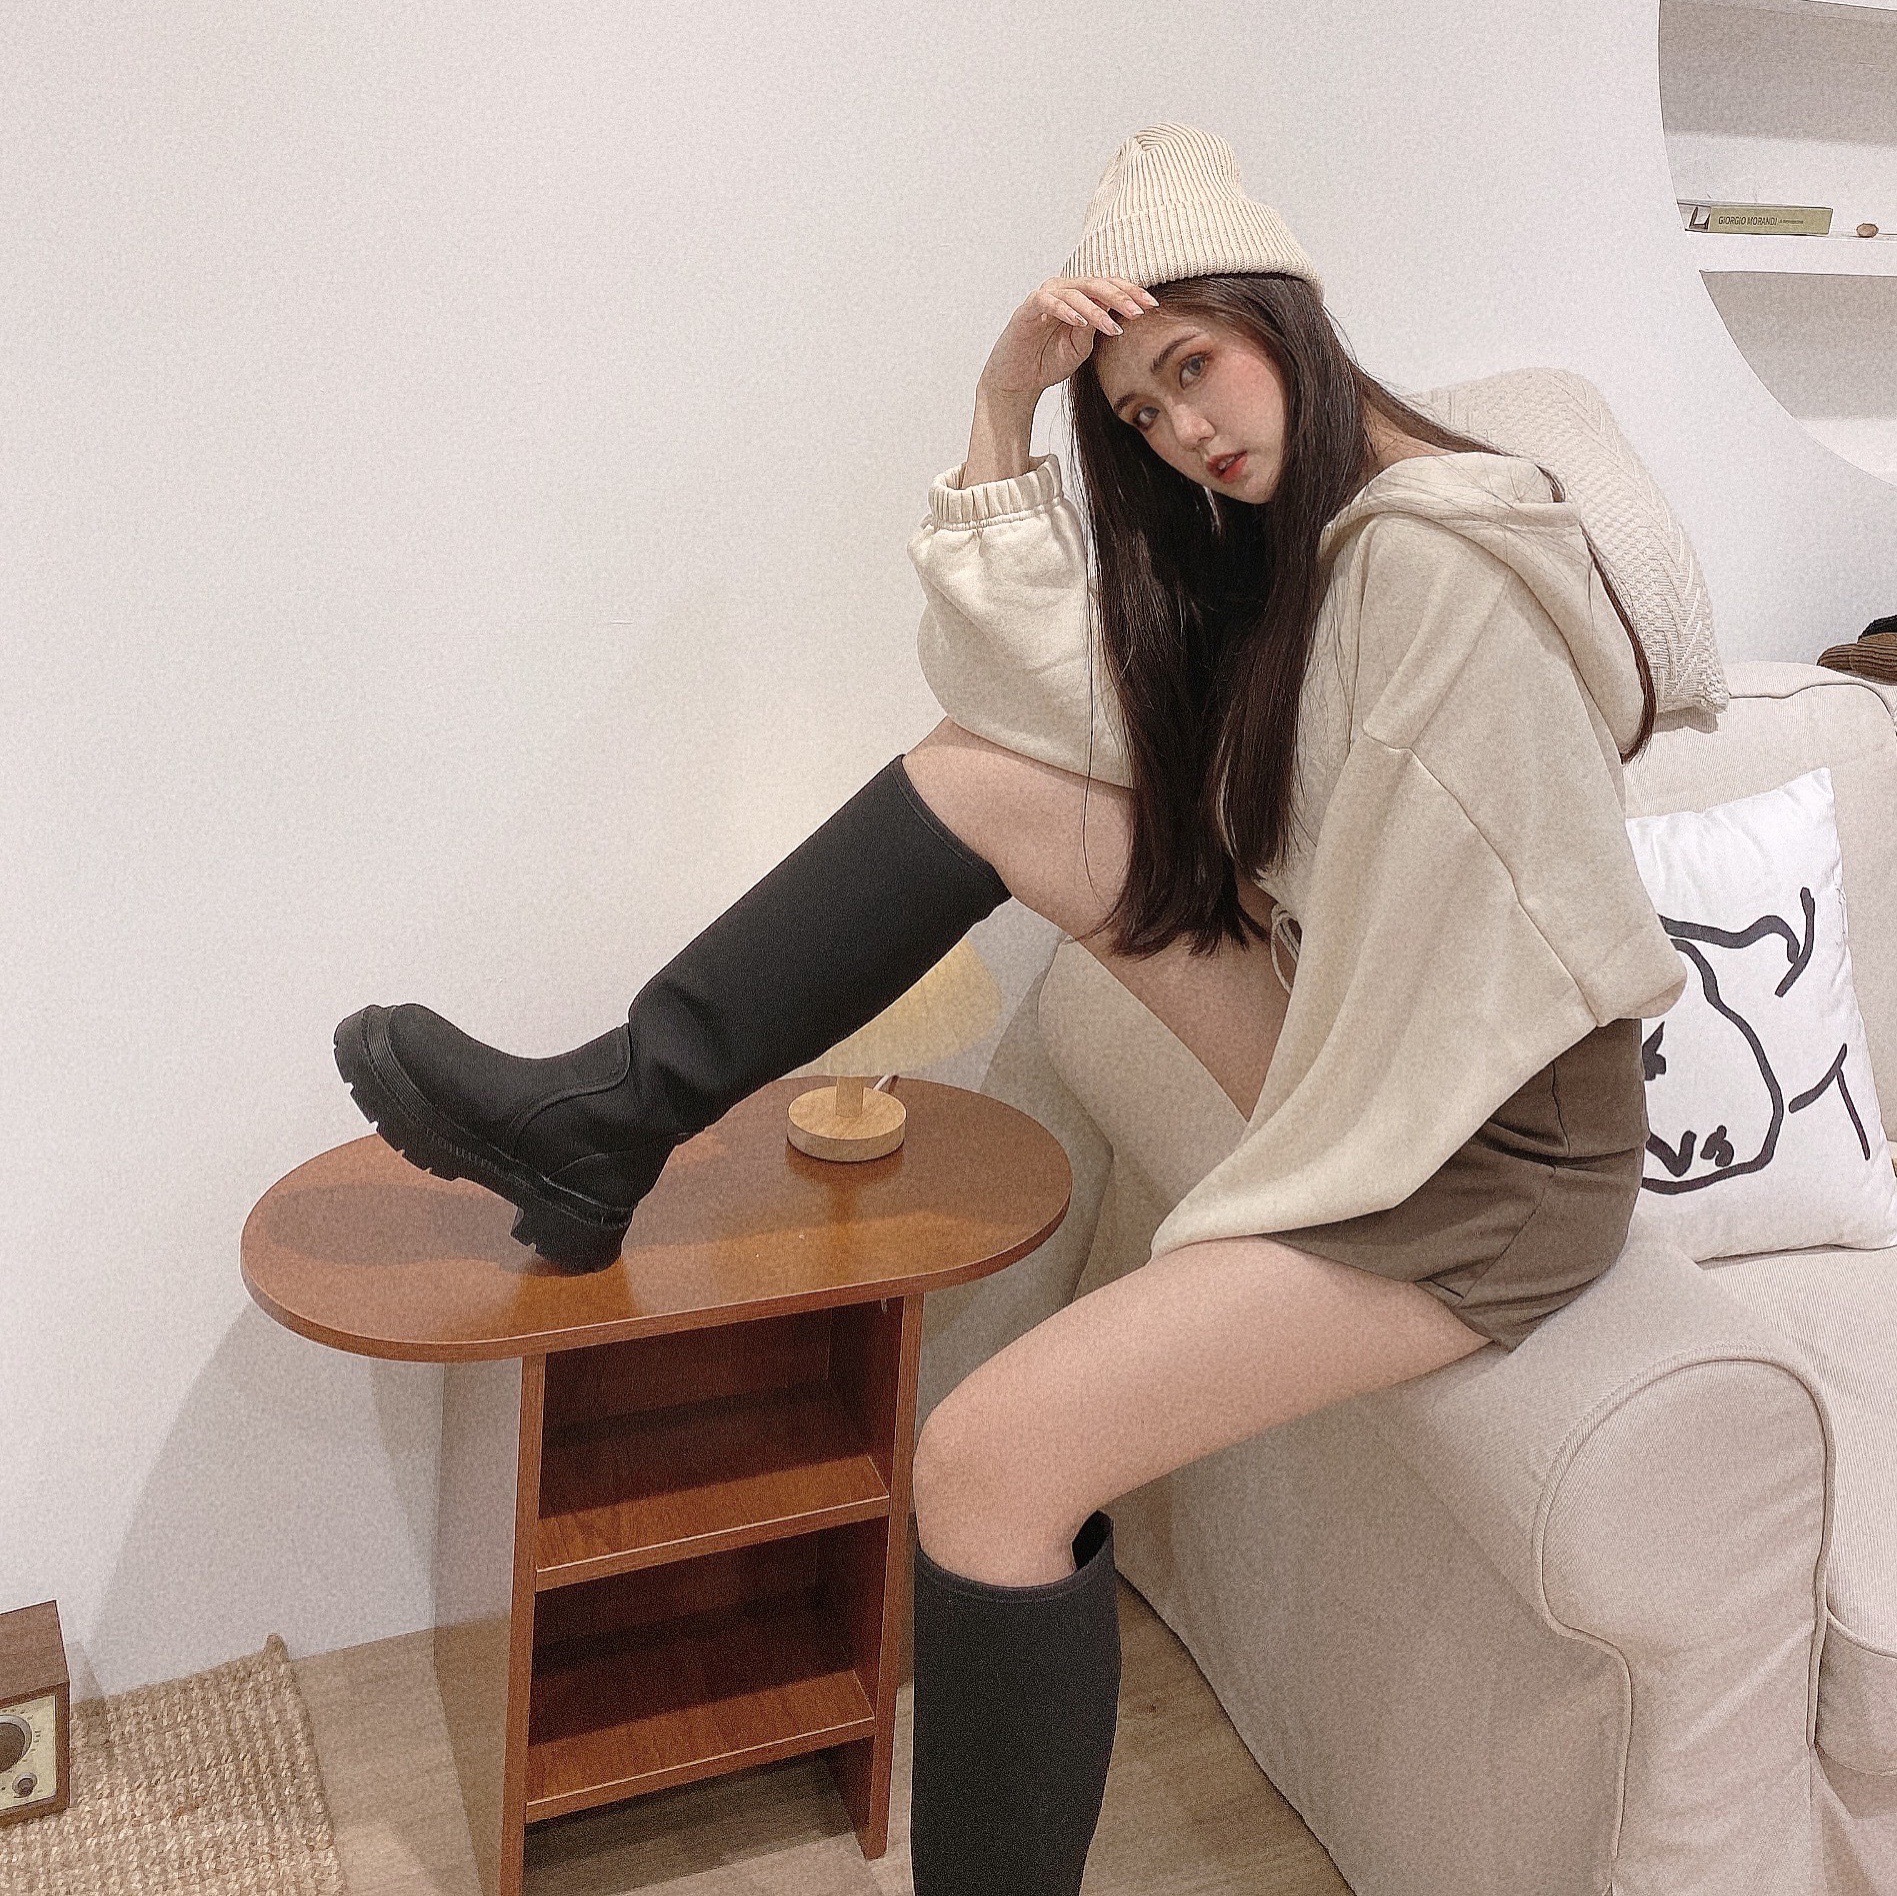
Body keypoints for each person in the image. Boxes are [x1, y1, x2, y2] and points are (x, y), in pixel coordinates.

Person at [334, 124, 1686, 1896]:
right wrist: (1002, 405)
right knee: (980, 780)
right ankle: (613, 1118)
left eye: (1191, 365)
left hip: (1485, 1150)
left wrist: (1272, 1180)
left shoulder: (1433, 562)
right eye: (1139, 409)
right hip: (1382, 1041)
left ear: (1278, 314)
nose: (1182, 430)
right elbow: (1051, 711)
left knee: (985, 1461)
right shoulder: (1315, 543)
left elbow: (1497, 932)